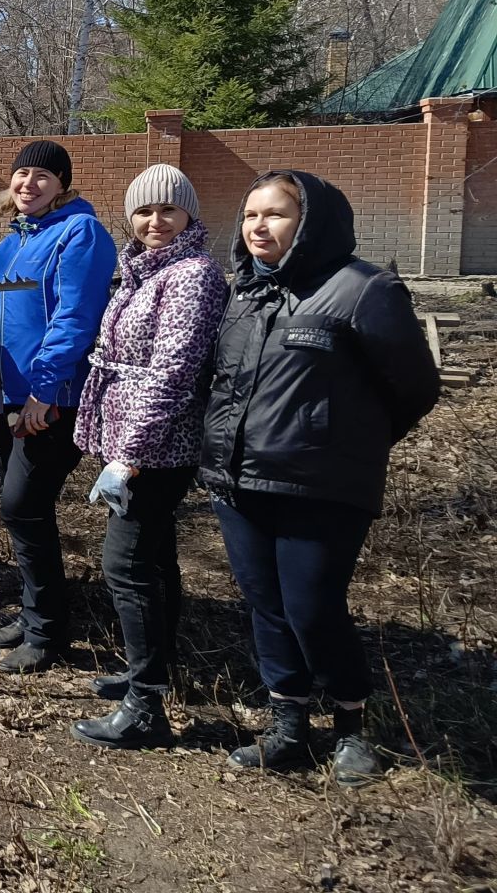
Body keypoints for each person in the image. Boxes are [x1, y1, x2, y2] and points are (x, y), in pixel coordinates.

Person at [200, 170, 439, 785]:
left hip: (322, 488)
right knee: (265, 605)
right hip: (239, 482)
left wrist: (344, 445)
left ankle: (352, 728)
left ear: (310, 221)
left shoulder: (363, 290)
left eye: (275, 214)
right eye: (250, 214)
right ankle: (288, 727)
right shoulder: (244, 294)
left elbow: (415, 387)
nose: (258, 226)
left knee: (312, 607)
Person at [67, 165, 228, 750]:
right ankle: (151, 675)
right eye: (143, 211)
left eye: (168, 210)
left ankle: (145, 707)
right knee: (155, 559)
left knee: (126, 564)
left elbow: (174, 372)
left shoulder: (192, 276)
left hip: (160, 446)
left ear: (188, 214)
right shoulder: (139, 272)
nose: (154, 222)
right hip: (136, 441)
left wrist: (129, 456)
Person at [0, 140, 116, 673]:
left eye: (42, 176)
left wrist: (46, 392)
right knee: (25, 508)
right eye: (22, 174)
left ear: (63, 184)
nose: (29, 184)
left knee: (22, 504)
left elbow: (75, 316)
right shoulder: (7, 247)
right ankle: (34, 612)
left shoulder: (80, 234)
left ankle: (48, 632)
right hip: (7, 394)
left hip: (51, 399)